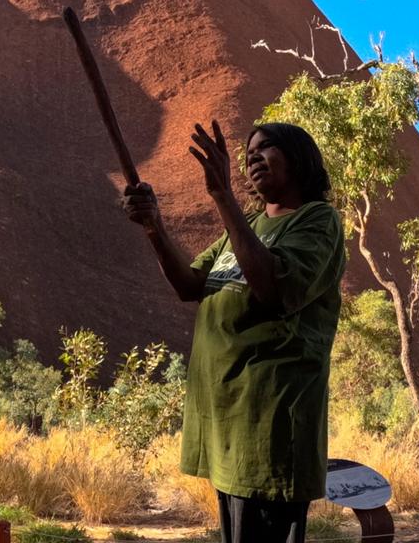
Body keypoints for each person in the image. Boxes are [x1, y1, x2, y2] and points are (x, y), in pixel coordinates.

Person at [121, 120, 345, 543]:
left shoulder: (317, 220)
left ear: (299, 157)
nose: (253, 158)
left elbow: (274, 290)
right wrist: (153, 227)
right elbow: (190, 284)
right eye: (248, 153)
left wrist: (221, 194)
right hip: (229, 424)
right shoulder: (247, 228)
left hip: (268, 424)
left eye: (267, 148)